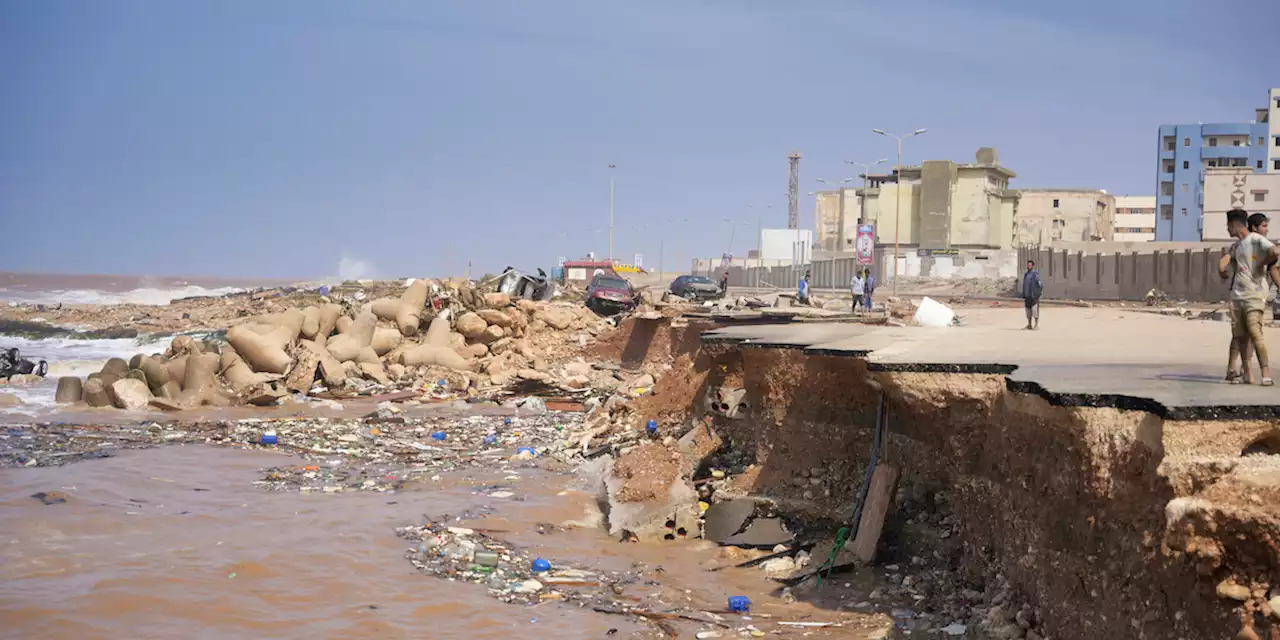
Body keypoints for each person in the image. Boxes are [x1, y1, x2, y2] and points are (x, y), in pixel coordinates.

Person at [1220, 208, 1280, 385]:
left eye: (1227, 226)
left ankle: (1266, 374)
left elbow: (1274, 253)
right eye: (1264, 226)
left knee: (1255, 332)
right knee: (1240, 337)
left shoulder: (1256, 240)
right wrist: (1221, 268)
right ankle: (1246, 374)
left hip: (1254, 295)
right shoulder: (1237, 245)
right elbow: (1226, 258)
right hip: (1237, 296)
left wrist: (1261, 263)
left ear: (1233, 225)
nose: (1227, 230)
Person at [1020, 260, 1043, 330]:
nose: (1028, 266)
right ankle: (1029, 325)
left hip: (1034, 296)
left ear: (1032, 266)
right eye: (1028, 265)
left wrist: (1038, 293)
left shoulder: (1035, 274)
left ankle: (1036, 325)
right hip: (1027, 296)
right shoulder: (1026, 274)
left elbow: (1040, 284)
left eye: (1030, 265)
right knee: (1028, 311)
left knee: (1035, 311)